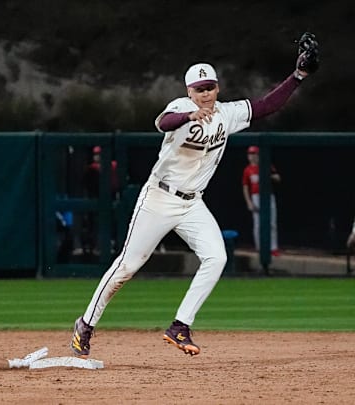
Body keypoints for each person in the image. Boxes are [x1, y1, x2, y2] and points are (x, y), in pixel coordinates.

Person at [70, 41, 317, 357]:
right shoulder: (180, 108)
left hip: (191, 204)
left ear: (217, 88)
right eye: (199, 89)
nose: (206, 94)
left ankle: (179, 326)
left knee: (217, 257)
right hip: (159, 198)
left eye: (210, 87)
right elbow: (162, 122)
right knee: (127, 266)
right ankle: (86, 324)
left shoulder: (227, 114)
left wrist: (298, 75)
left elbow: (267, 105)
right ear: (189, 92)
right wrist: (189, 116)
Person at [241, 145, 281, 256]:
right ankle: (259, 248)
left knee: (272, 222)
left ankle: (273, 248)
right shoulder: (248, 170)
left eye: (254, 154)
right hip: (255, 197)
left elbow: (278, 178)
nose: (252, 156)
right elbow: (245, 187)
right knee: (257, 224)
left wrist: (269, 175)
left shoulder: (266, 166)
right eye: (250, 154)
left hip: (268, 196)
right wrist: (249, 202)